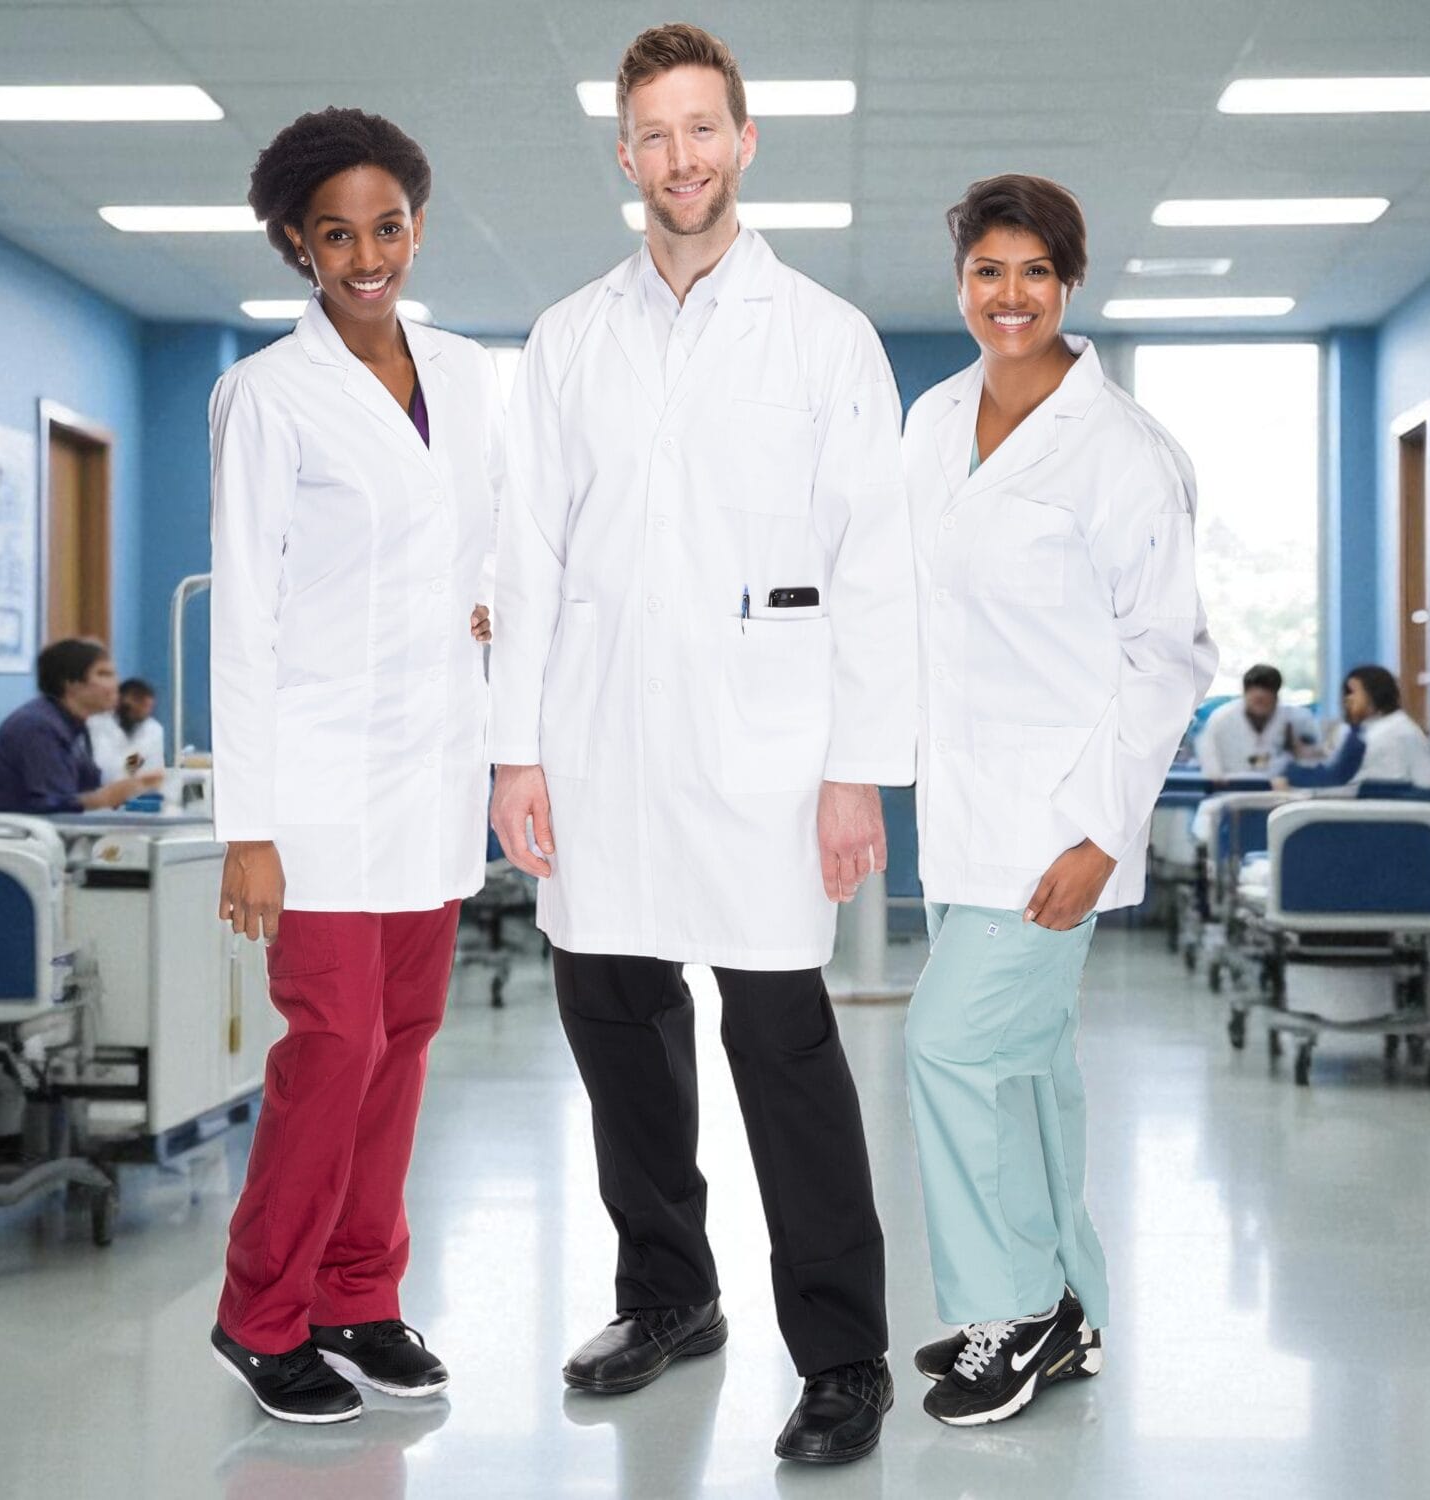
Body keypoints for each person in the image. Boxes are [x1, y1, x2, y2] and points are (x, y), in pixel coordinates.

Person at [487, 24, 915, 1466]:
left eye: (702, 130)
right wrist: (515, 752)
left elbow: (869, 569)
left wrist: (856, 765)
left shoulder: (825, 337)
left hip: (766, 749)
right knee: (616, 1025)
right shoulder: (566, 338)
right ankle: (670, 1294)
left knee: (783, 1044)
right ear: (627, 156)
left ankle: (845, 1356)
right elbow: (528, 558)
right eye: (653, 135)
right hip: (599, 740)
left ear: (745, 141)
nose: (680, 158)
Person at [901, 174, 1217, 1428]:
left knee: (952, 1049)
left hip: (1058, 827)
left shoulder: (1124, 451)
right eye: (989, 270)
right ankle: (1069, 1306)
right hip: (960, 807)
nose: (1011, 295)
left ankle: (1011, 1313)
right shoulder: (931, 422)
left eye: (1035, 272)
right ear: (963, 282)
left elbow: (1171, 656)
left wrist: (1100, 833)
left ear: (1069, 284)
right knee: (1025, 1068)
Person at [207, 107, 501, 1426]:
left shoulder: (469, 376)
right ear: (298, 245)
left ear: (417, 226)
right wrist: (249, 823)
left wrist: (493, 614)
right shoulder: (267, 395)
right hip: (316, 778)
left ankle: (357, 1297)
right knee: (335, 1042)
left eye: (388, 226)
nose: (368, 252)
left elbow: (489, 543)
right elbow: (248, 620)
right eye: (339, 234)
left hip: (433, 768)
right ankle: (260, 1311)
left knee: (408, 1041)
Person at [0, 639, 164, 813]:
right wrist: (105, 797)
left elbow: (86, 787)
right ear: (70, 682)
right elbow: (51, 806)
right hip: (27, 839)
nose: (115, 684)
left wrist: (127, 789)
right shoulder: (38, 727)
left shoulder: (75, 727)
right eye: (103, 674)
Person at [1278, 664, 1430, 789]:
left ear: (1376, 693)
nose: (1347, 699)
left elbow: (1336, 777)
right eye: (1346, 693)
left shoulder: (1395, 731)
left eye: (1353, 692)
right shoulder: (1362, 729)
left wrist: (1290, 775)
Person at [1195, 663, 1317, 778]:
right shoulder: (1221, 719)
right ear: (1245, 694)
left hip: (1279, 788)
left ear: (1276, 697)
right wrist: (1215, 776)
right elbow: (1208, 757)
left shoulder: (1296, 719)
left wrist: (1297, 748)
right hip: (1231, 787)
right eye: (1256, 700)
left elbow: (1315, 757)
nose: (1260, 705)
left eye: (1265, 701)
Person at [87, 676, 166, 785]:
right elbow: (103, 768)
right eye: (138, 703)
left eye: (148, 707)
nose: (144, 713)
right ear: (119, 700)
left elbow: (150, 771)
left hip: (139, 796)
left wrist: (129, 767)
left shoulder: (153, 730)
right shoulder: (96, 723)